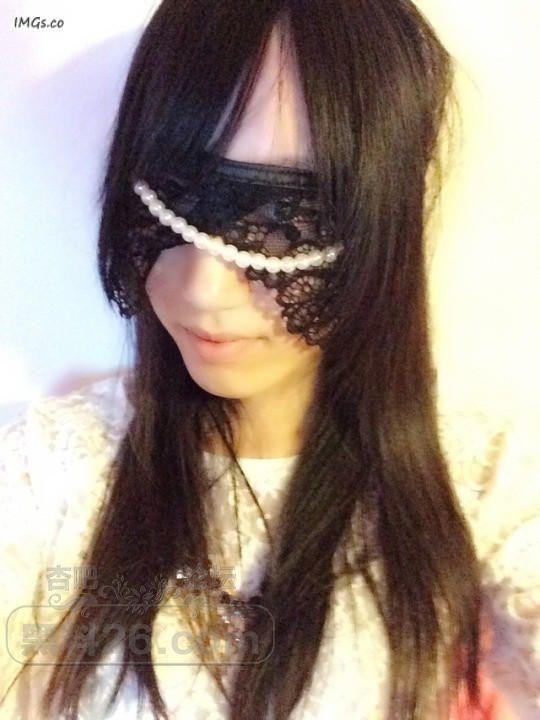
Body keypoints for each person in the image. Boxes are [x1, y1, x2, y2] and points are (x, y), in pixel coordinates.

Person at [0, 2, 538, 719]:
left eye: (285, 224)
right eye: (173, 204)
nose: (202, 288)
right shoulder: (50, 471)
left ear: (380, 221)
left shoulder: (483, 477)